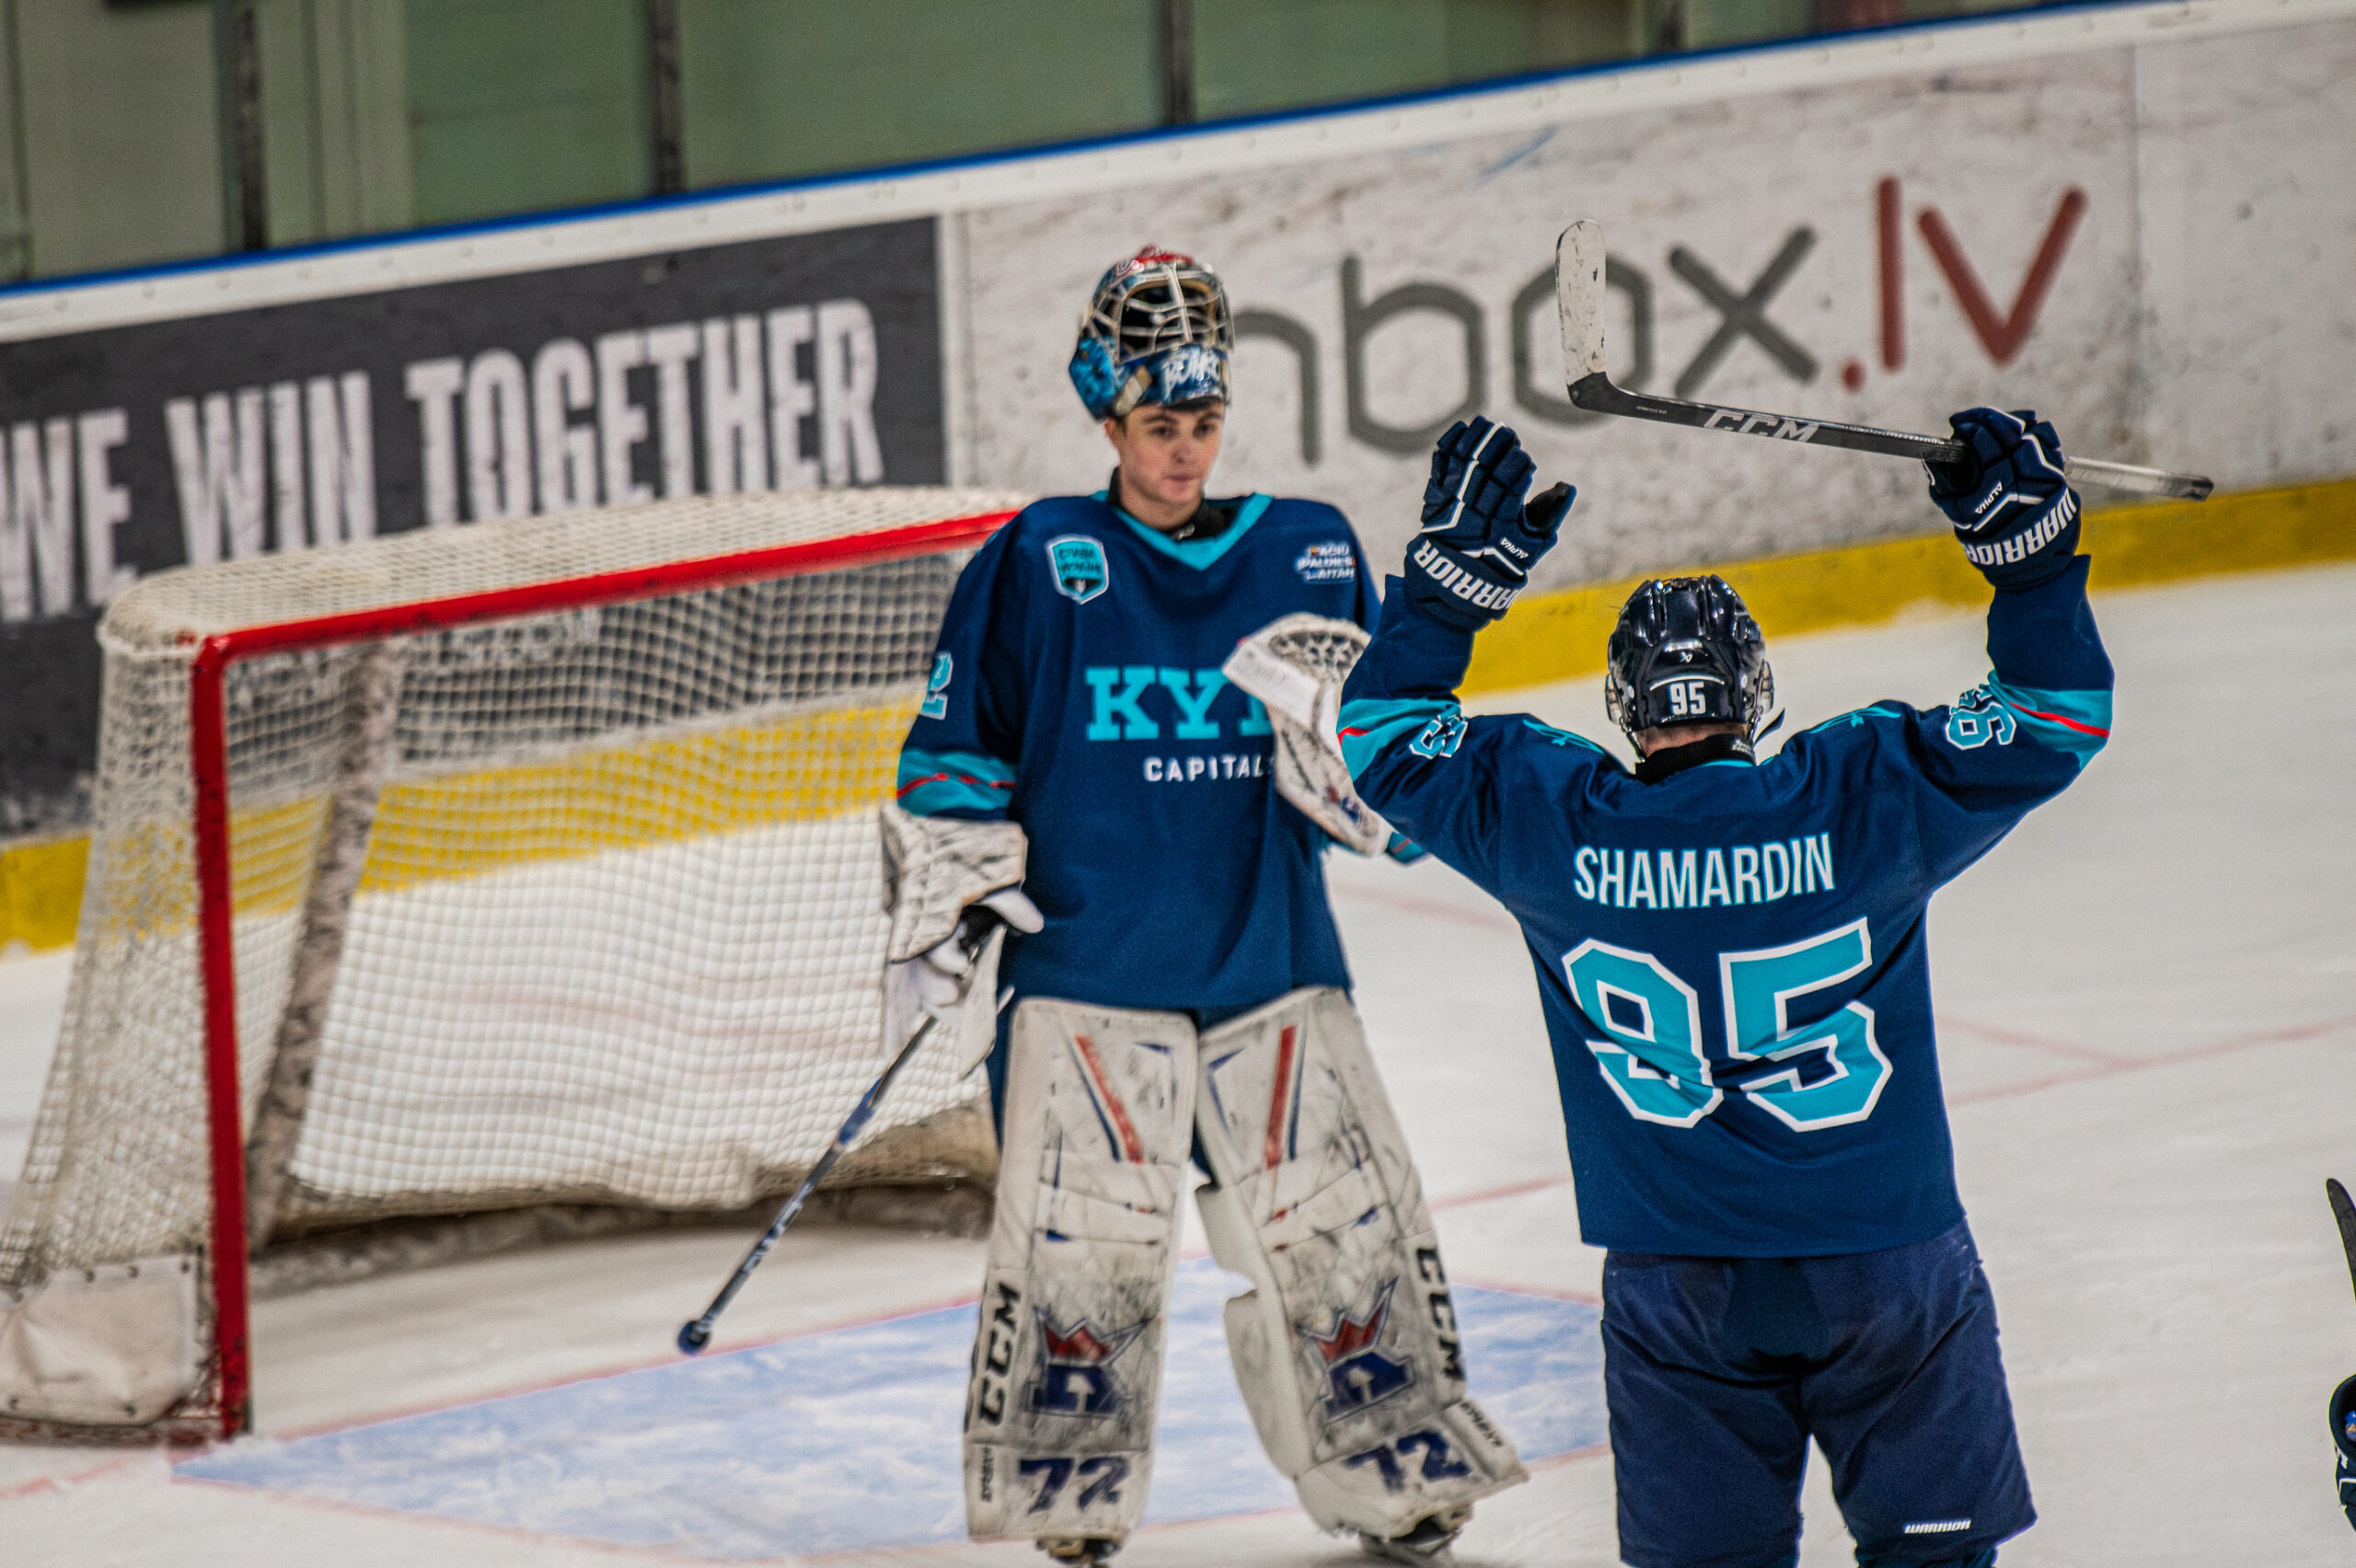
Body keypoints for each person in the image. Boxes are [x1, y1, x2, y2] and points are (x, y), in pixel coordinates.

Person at [1330, 409, 2112, 1567]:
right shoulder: (1861, 792)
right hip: (1886, 1262)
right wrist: (2030, 567)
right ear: (1755, 692)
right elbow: (2057, 713)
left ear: (1624, 704)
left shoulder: (1551, 823)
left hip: (1676, 1284)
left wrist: (1445, 601)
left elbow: (1382, 739)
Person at [882, 248, 1524, 1567]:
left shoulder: (1308, 549)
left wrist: (1390, 793)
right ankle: (1069, 1493)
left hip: (1270, 964)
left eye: (1205, 421)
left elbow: (1378, 756)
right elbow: (951, 753)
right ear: (1109, 420)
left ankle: (1398, 1471)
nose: (1185, 450)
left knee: (1341, 1236)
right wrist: (956, 891)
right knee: (1082, 1256)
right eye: (1161, 424)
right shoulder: (1039, 557)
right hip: (1086, 977)